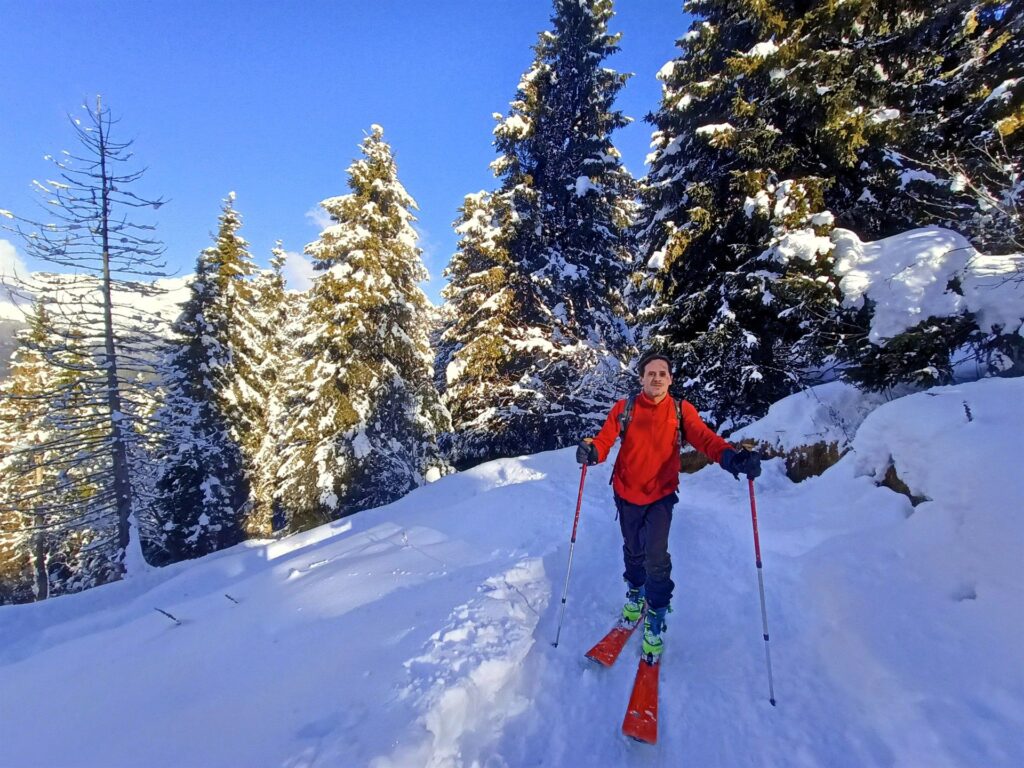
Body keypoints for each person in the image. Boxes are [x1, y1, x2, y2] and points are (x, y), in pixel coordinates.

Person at [575, 352, 761, 657]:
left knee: (656, 555)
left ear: (670, 379)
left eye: (662, 373)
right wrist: (591, 452)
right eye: (651, 373)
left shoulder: (680, 410)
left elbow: (705, 439)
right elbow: (605, 441)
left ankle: (657, 612)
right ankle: (636, 592)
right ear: (641, 378)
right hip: (626, 492)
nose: (657, 378)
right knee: (633, 548)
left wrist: (732, 457)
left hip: (661, 495)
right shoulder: (625, 408)